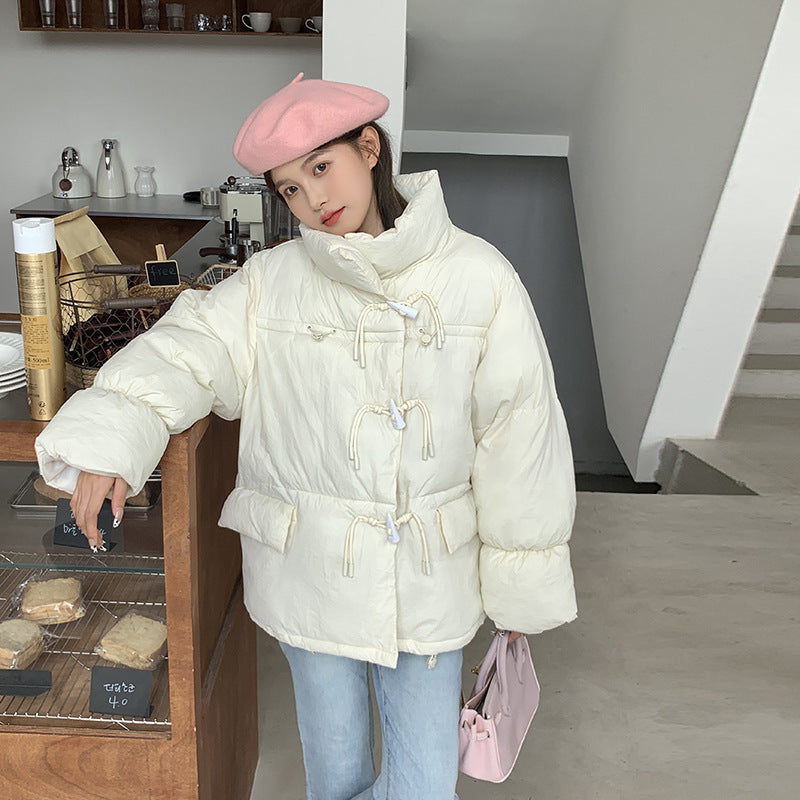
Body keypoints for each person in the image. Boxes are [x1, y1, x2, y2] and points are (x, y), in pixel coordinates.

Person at [35, 73, 578, 800]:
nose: (313, 200)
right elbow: (182, 351)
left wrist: (519, 586)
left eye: (322, 168)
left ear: (369, 147)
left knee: (423, 788)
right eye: (290, 188)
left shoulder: (480, 278)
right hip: (310, 575)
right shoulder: (270, 283)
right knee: (336, 777)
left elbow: (521, 436)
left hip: (428, 579)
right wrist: (109, 442)